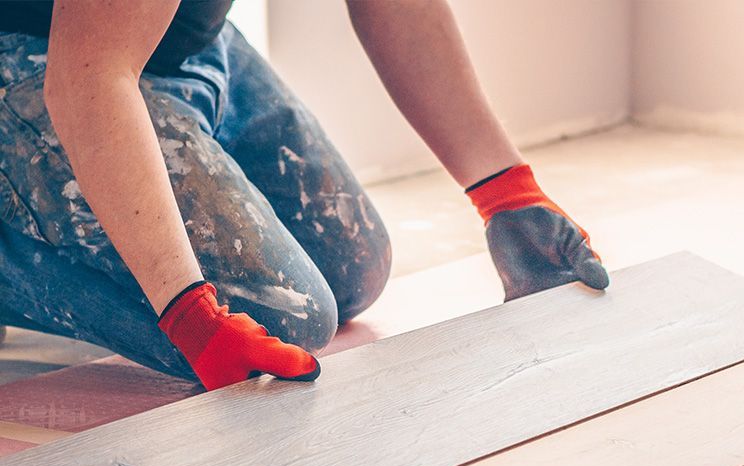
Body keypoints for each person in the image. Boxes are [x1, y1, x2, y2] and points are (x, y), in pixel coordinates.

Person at [0, 0, 608, 391]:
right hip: (49, 55)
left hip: (184, 39)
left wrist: (507, 193)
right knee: (278, 317)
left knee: (354, 273)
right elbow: (91, 76)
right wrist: (189, 313)